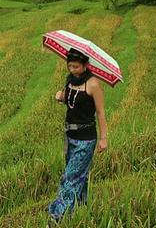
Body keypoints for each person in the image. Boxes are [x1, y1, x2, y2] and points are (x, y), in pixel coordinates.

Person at [47, 48, 108, 225]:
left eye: (76, 66)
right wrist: (61, 97)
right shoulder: (70, 80)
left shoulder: (93, 84)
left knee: (70, 177)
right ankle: (81, 206)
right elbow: (71, 101)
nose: (72, 69)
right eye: (70, 66)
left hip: (86, 138)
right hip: (70, 135)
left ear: (85, 65)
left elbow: (100, 112)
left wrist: (104, 138)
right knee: (79, 175)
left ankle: (57, 216)